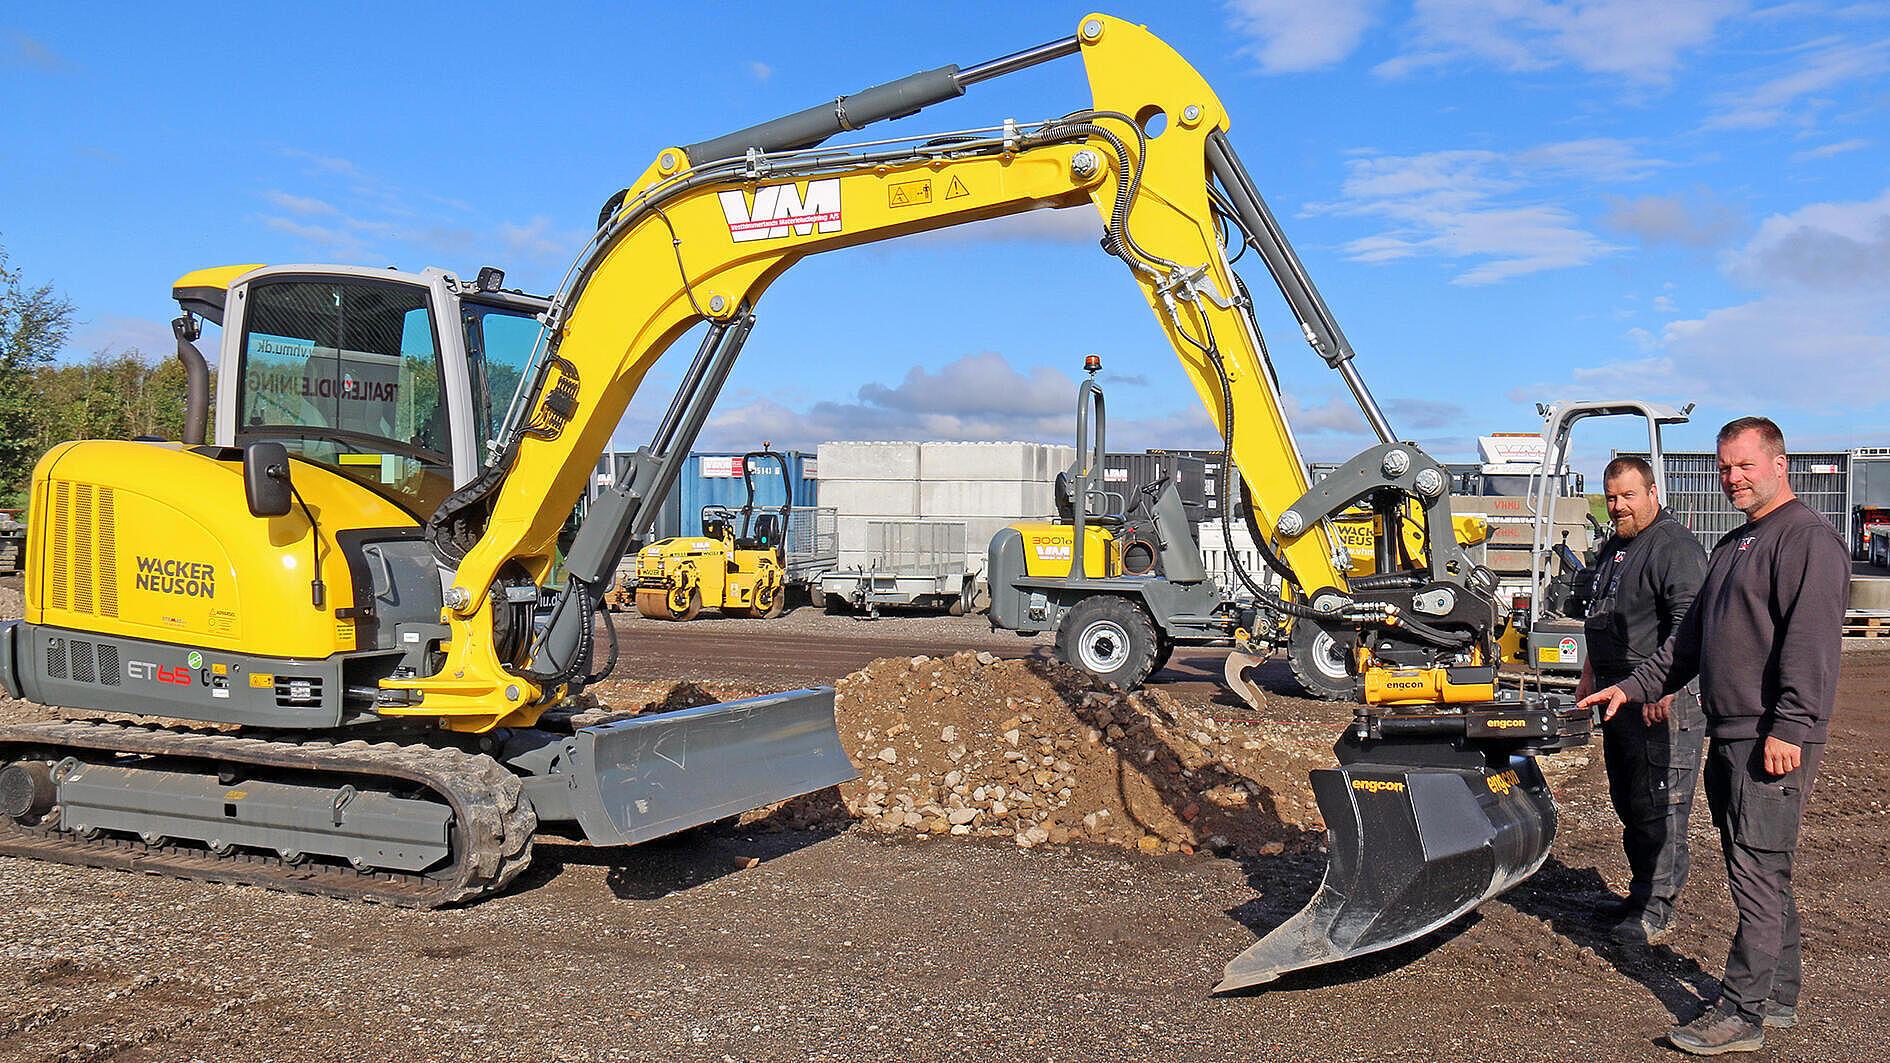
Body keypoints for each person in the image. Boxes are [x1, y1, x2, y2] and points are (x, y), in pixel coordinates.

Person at [1580, 417, 1848, 1056]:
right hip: (1732, 732)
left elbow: (1812, 646)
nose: (1732, 478)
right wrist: (1631, 688)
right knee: (1759, 865)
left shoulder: (1805, 540)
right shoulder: (1733, 546)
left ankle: (1741, 1011)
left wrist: (1790, 725)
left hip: (1770, 737)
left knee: (1756, 868)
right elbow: (1685, 645)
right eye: (1725, 467)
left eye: (1744, 466)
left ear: (1779, 463)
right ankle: (1779, 994)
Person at [1574, 455, 1707, 946]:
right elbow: (1602, 613)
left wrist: (1663, 688)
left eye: (1629, 496)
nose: (1618, 507)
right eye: (1611, 497)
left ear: (1653, 493)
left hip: (1661, 699)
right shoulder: (1617, 545)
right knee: (1630, 799)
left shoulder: (1674, 546)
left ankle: (1656, 906)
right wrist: (1590, 670)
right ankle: (1640, 892)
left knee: (1662, 804)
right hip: (1618, 696)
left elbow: (1687, 624)